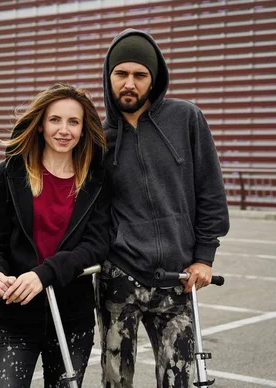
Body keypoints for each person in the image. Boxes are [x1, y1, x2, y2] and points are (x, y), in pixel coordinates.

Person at [97, 28, 230, 387]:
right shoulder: (97, 136)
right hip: (119, 279)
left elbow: (211, 191)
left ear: (153, 80)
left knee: (178, 381)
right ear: (108, 77)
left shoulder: (186, 118)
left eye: (140, 75)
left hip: (178, 279)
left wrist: (204, 256)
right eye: (121, 73)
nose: (130, 83)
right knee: (115, 381)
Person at [0, 83, 110, 388]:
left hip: (72, 319)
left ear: (84, 129)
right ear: (40, 125)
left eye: (73, 122)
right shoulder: (10, 173)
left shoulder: (97, 180)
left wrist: (44, 275)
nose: (64, 130)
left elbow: (95, 246)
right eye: (55, 120)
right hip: (13, 317)